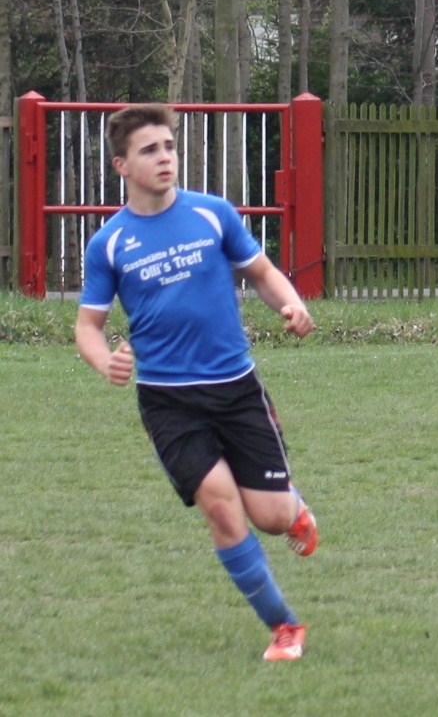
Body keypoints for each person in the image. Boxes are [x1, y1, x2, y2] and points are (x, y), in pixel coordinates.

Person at [73, 104, 320, 662]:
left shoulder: (213, 213)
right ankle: (284, 626)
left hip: (236, 389)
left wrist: (291, 303)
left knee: (270, 517)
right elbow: (87, 326)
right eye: (149, 150)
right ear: (121, 166)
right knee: (220, 508)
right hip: (168, 403)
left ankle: (294, 509)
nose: (165, 158)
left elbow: (261, 272)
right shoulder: (109, 243)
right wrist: (104, 361)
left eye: (168, 146)